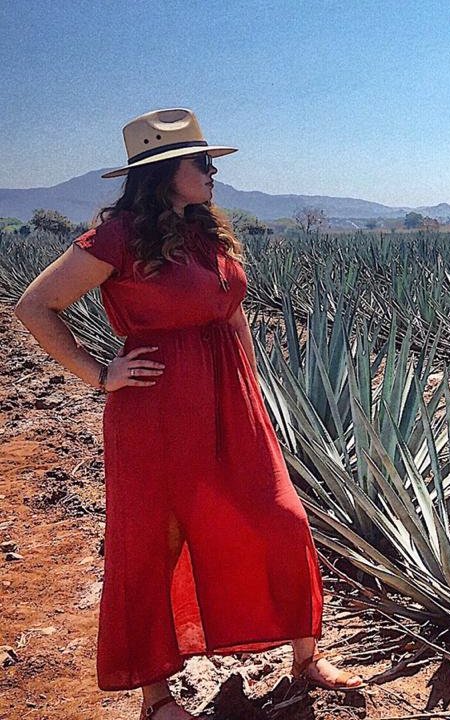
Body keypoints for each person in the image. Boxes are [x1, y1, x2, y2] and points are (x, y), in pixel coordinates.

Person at [13, 108, 363, 720]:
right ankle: (155, 696)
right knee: (154, 541)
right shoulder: (117, 238)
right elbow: (35, 305)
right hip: (157, 410)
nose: (212, 172)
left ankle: (305, 657)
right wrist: (101, 374)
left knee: (280, 517)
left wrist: (252, 390)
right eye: (200, 162)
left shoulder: (207, 233)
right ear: (162, 172)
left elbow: (233, 314)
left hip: (231, 399)